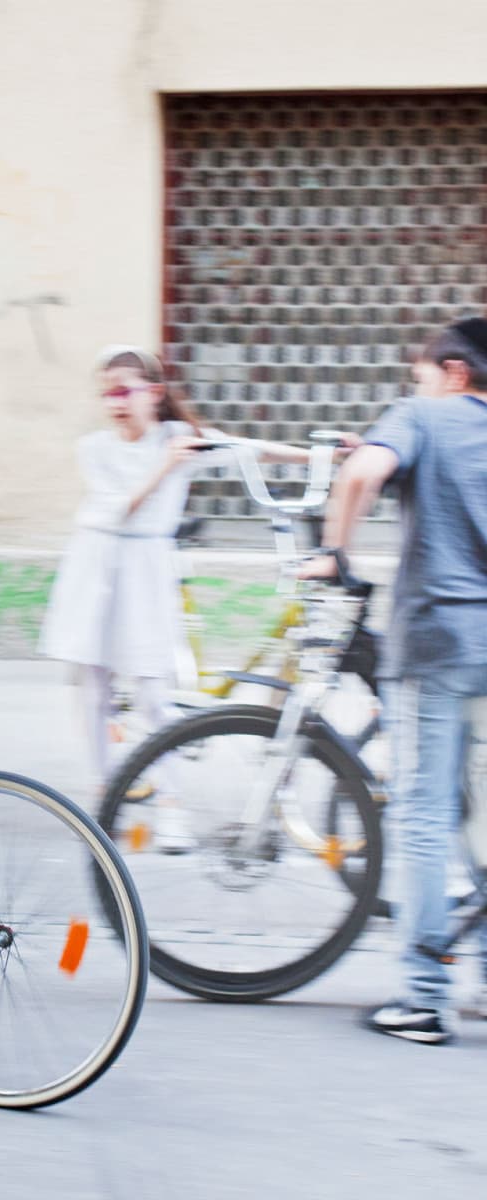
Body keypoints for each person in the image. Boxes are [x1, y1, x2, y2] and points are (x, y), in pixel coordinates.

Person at [39, 345, 324, 847]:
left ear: (153, 392)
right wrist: (165, 467)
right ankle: (106, 799)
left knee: (153, 692)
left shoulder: (178, 438)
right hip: (97, 566)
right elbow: (119, 509)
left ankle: (170, 806)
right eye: (107, 393)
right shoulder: (96, 449)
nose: (115, 403)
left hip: (146, 570)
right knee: (94, 692)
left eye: (125, 391)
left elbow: (248, 449)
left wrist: (322, 457)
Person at [301, 316, 487, 1045]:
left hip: (439, 641)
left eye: (423, 374)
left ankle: (423, 999)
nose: (419, 385)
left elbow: (361, 476)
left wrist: (333, 552)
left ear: (455, 371)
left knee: (424, 814)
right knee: (473, 814)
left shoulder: (421, 416)